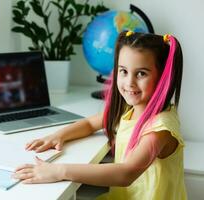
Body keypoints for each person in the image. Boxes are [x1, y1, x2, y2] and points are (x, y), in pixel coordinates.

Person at [12, 31, 187, 200]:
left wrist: (59, 171)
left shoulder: (160, 127)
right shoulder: (128, 108)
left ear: (164, 77)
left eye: (141, 73)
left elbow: (126, 173)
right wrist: (58, 136)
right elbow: (90, 124)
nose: (129, 82)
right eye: (123, 71)